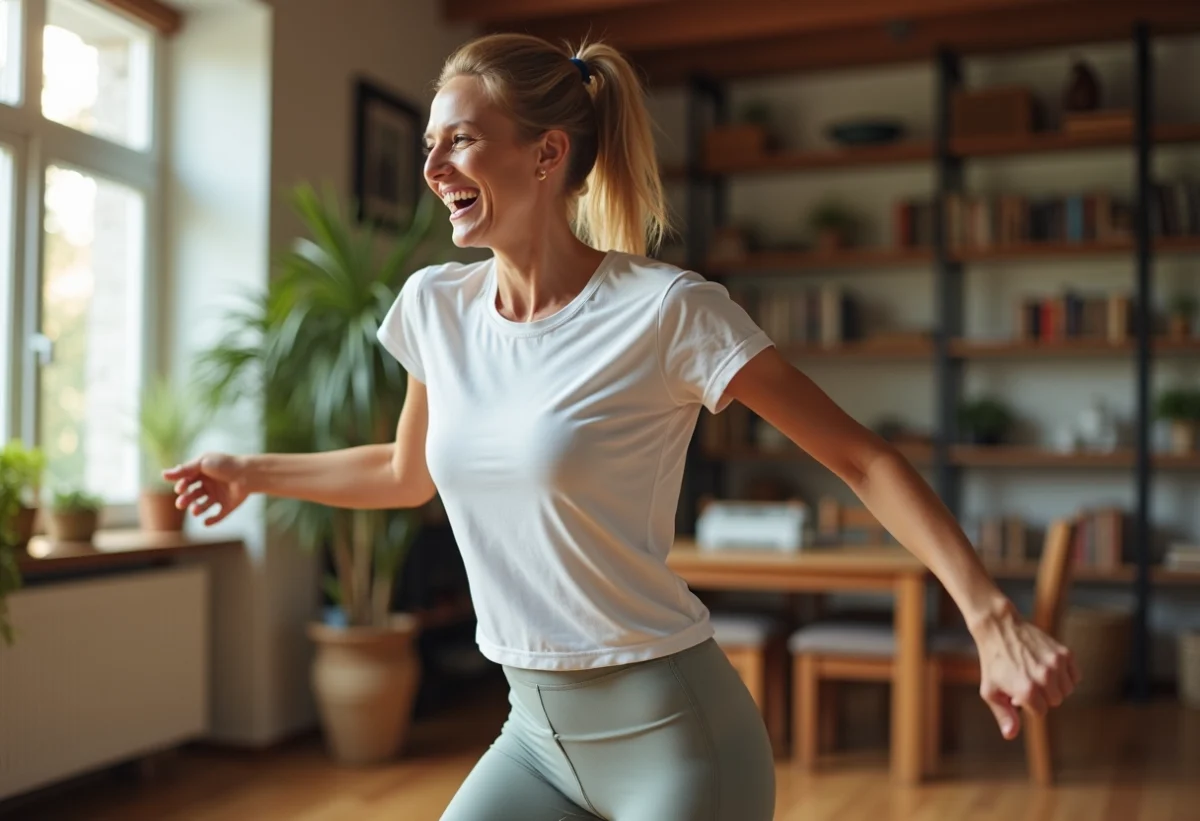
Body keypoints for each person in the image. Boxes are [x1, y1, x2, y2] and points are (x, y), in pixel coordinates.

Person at [165, 33, 1079, 821]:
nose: (434, 168)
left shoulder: (667, 310)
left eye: (462, 142)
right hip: (532, 733)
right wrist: (252, 469)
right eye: (430, 146)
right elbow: (409, 472)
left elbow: (862, 456)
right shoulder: (434, 307)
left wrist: (991, 614)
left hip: (676, 737)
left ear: (545, 153)